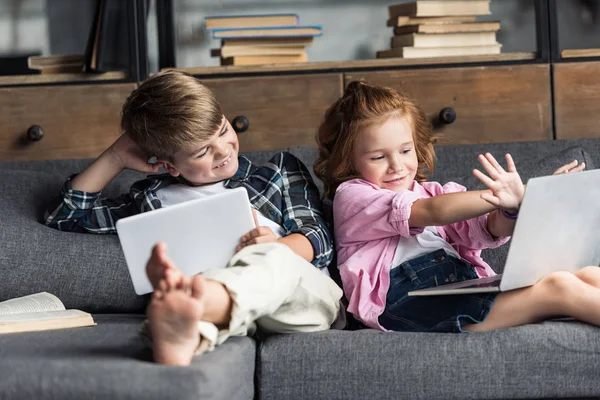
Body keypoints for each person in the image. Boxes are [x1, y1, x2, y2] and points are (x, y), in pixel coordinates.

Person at [43, 70, 343, 366]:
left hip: (301, 301)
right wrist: (116, 156)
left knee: (270, 259)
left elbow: (319, 238)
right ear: (169, 165)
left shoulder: (277, 172)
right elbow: (63, 218)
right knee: (198, 284)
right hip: (235, 317)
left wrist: (279, 245)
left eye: (223, 130)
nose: (224, 150)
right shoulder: (151, 200)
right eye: (203, 151)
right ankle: (187, 331)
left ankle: (197, 304)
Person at [313, 80, 597, 334]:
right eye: (378, 157)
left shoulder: (433, 192)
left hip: (456, 286)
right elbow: (431, 211)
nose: (397, 166)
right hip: (406, 304)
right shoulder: (352, 197)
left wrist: (519, 206)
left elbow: (489, 227)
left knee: (585, 274)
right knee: (559, 287)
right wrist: (503, 194)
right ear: (347, 161)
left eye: (405, 150)